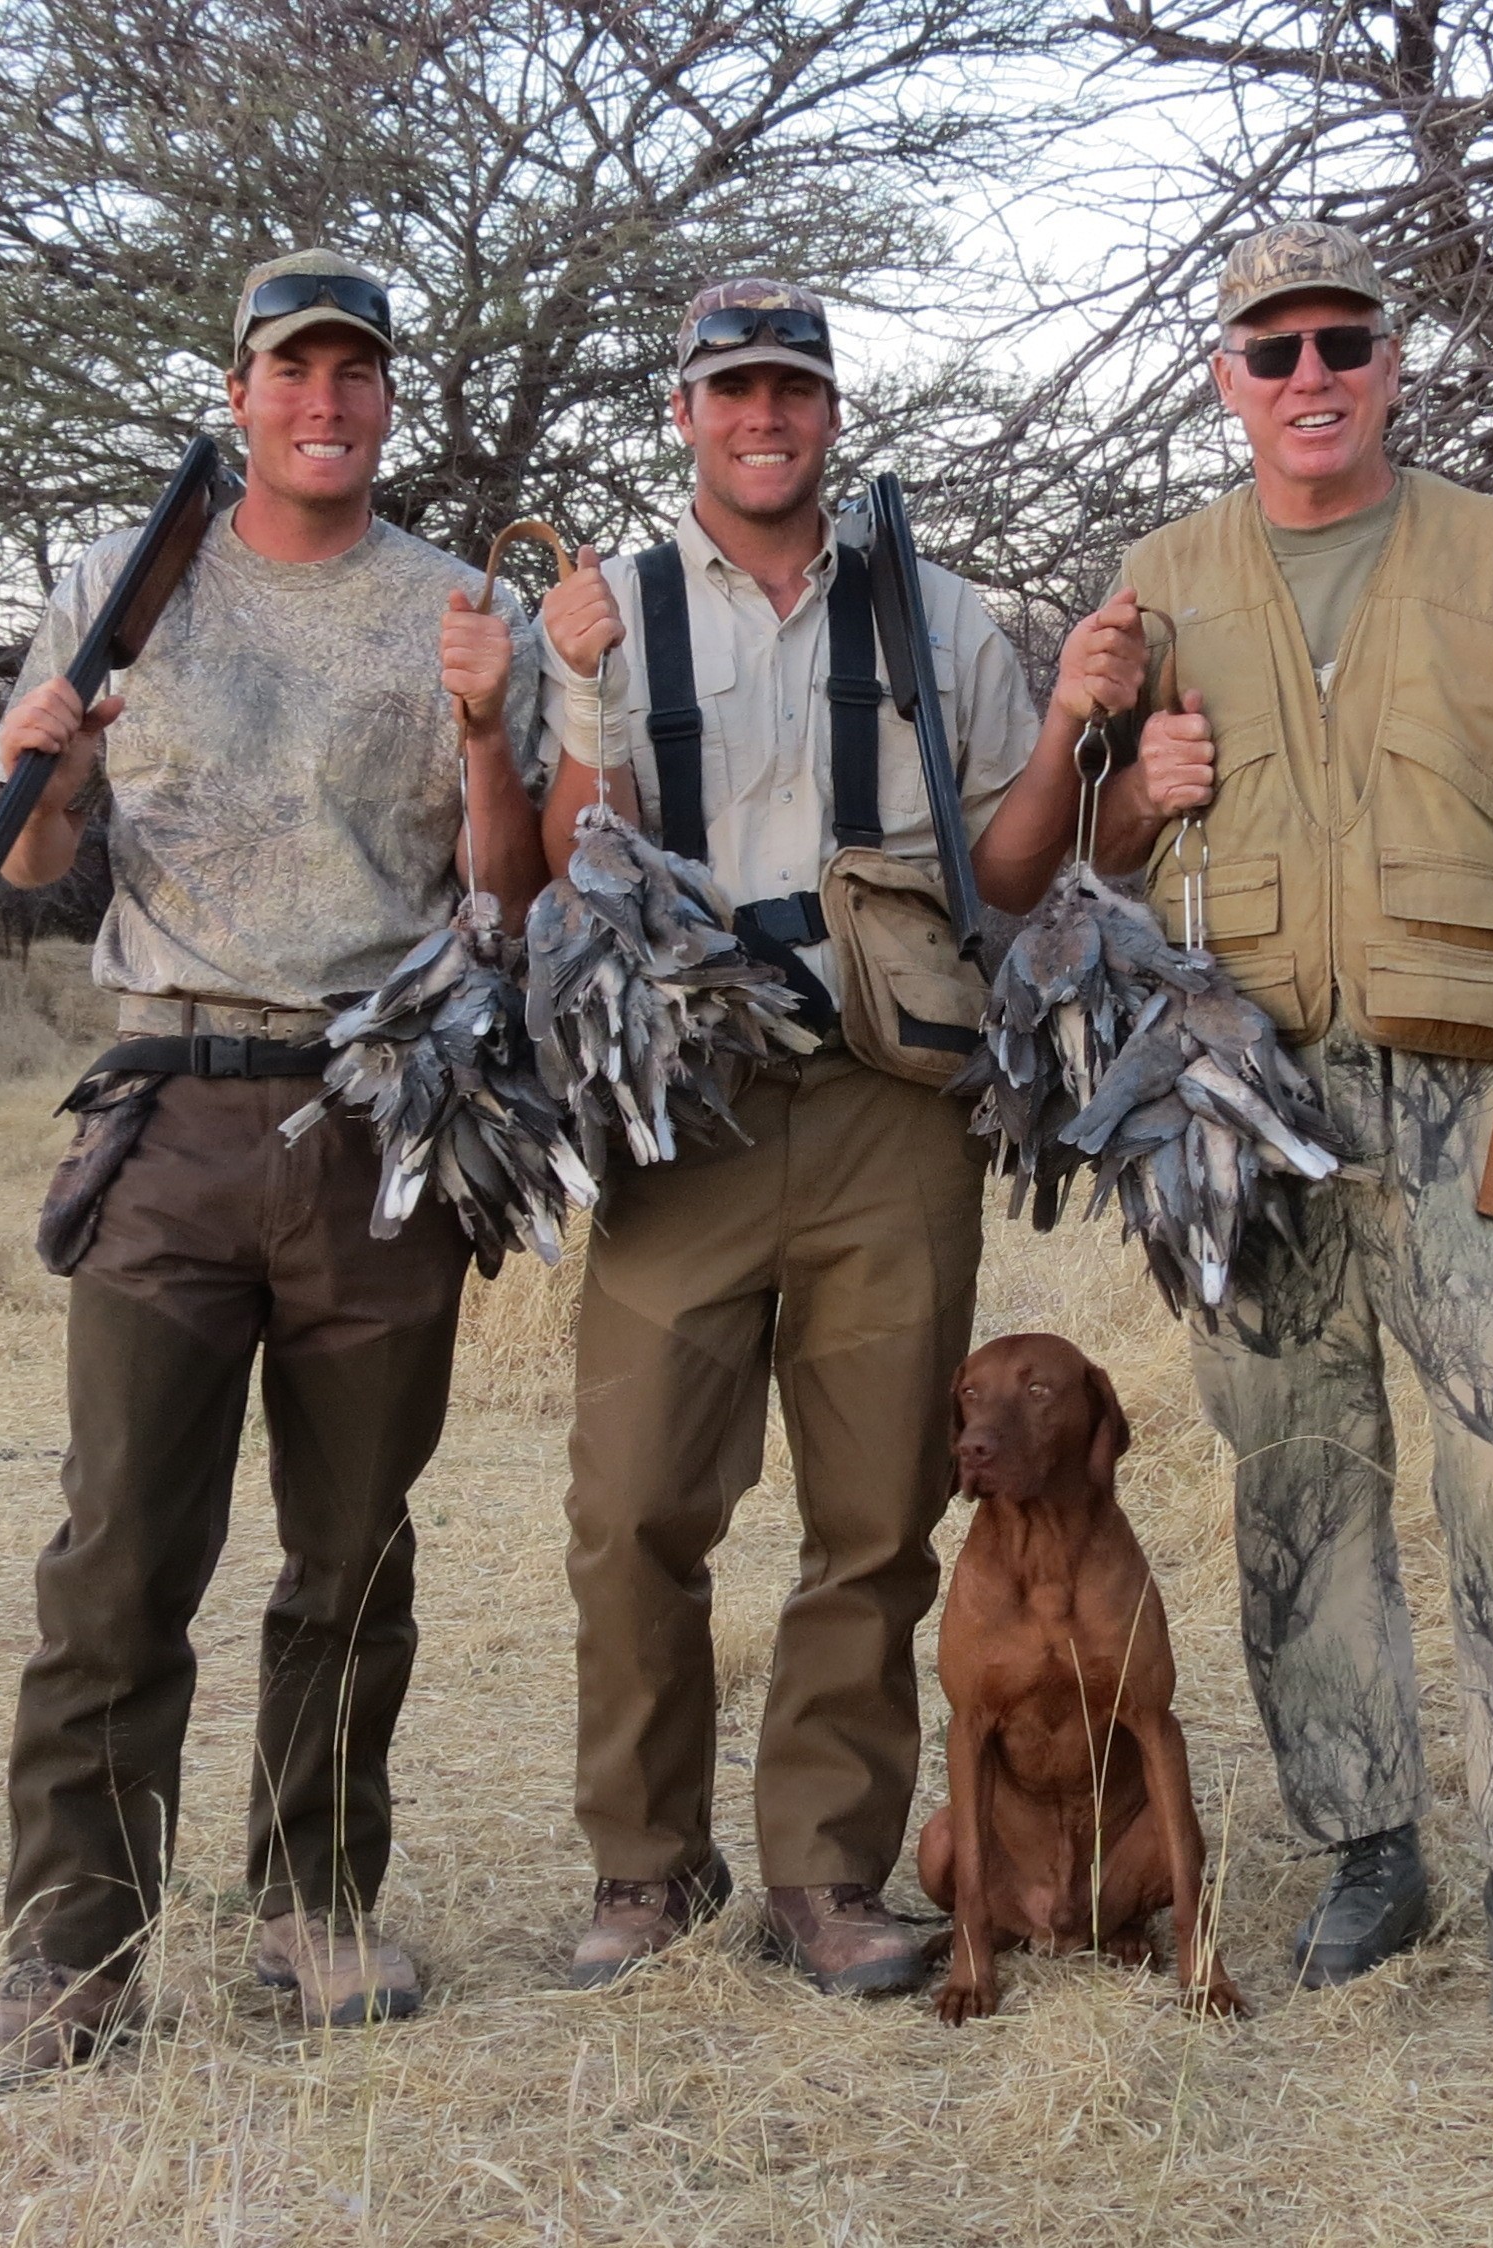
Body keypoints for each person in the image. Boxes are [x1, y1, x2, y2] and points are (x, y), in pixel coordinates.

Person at [0, 249, 547, 2090]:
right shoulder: (125, 597)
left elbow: (503, 895)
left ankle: (317, 1898)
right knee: (119, 1555)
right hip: (170, 1111)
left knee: (349, 1555)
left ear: (385, 400)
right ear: (241, 393)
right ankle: (71, 1952)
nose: (326, 402)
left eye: (357, 372)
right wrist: (42, 762)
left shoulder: (453, 607)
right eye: (295, 371)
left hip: (378, 1108)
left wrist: (499, 724)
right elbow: (38, 861)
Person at [1085, 222, 1493, 2029]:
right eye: (1272, 352)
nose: (1310, 378)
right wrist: (1136, 786)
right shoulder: (1164, 577)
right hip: (1252, 1098)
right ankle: (1368, 1848)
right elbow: (1097, 851)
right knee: (1296, 1471)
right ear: (1225, 379)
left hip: (1476, 1076)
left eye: (1341, 342)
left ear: (1393, 363)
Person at [529, 279, 1128, 1998]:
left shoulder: (944, 617)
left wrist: (1087, 725)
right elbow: (569, 868)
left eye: (791, 387)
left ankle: (831, 1877)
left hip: (889, 1107)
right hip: (692, 1112)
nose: (763, 418)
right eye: (731, 392)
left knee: (874, 1518)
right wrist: (573, 699)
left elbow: (1020, 869)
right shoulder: (612, 614)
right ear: (684, 413)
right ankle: (645, 1871)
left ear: (831, 410)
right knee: (636, 1506)